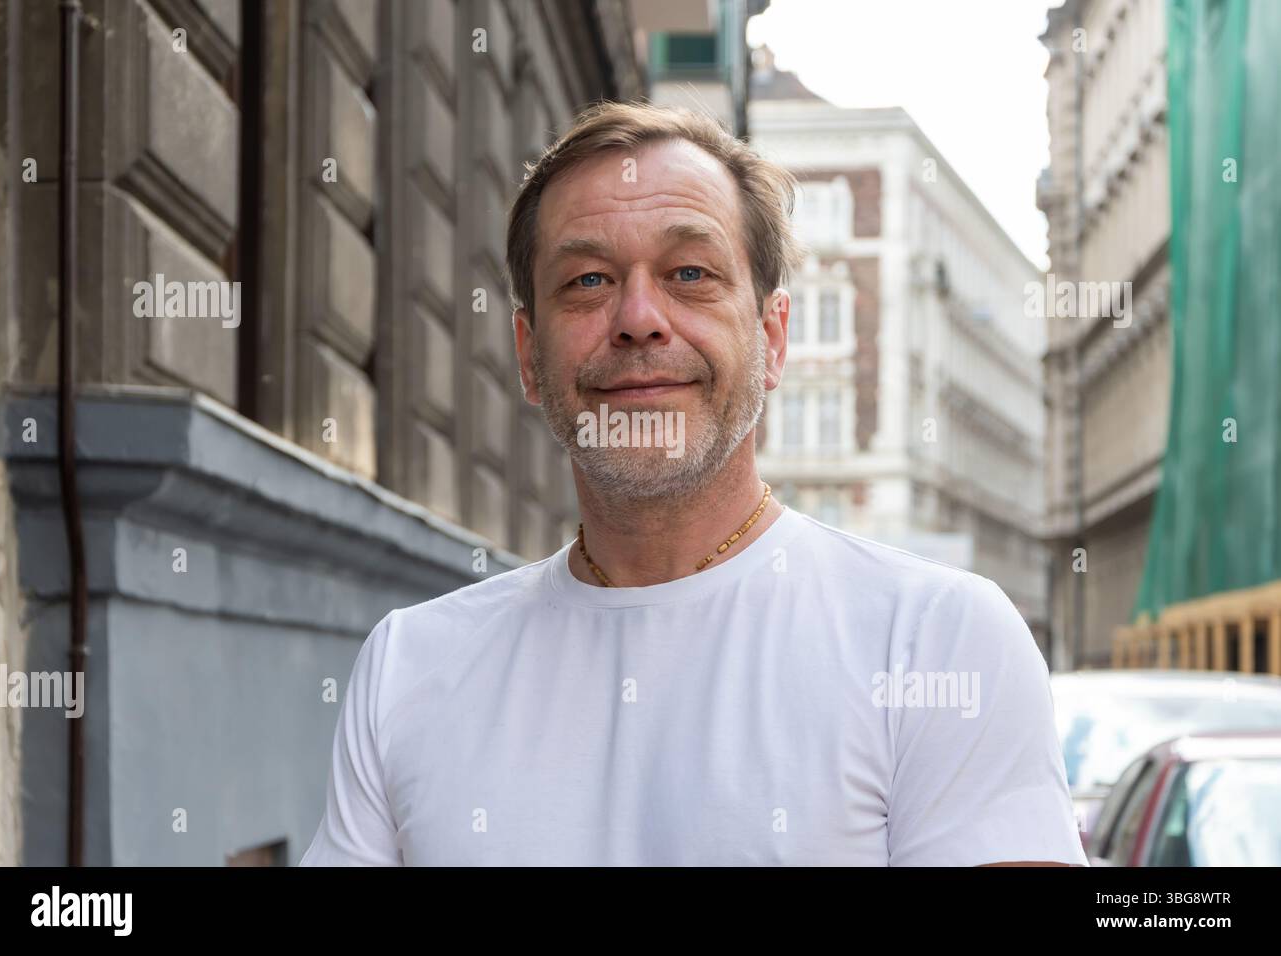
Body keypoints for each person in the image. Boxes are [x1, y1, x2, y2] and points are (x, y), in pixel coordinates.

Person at [300, 101, 1086, 866]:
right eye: (587, 281)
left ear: (772, 338)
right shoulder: (409, 665)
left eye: (689, 272)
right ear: (528, 354)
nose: (639, 317)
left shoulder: (934, 643)